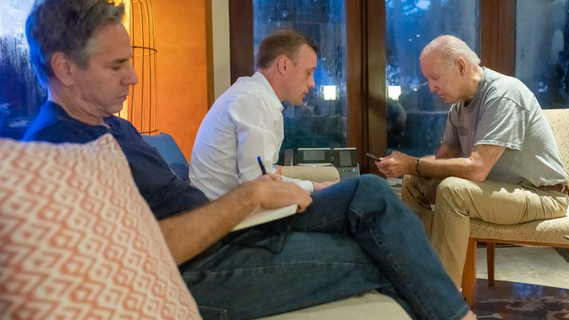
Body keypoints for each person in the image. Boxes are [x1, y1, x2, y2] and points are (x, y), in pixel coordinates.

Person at [22, 1, 475, 319]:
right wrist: (247, 198)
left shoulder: (110, 124)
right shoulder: (59, 150)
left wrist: (252, 199)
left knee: (370, 193)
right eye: (116, 65)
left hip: (223, 237)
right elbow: (139, 252)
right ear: (64, 68)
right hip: (201, 273)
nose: (134, 76)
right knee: (387, 253)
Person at [376, 35, 569, 289]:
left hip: (541, 195)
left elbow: (477, 169)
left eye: (434, 77)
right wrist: (405, 165)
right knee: (414, 182)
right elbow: (441, 160)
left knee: (454, 191)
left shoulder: (502, 94)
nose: (430, 87)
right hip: (495, 189)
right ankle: (415, 273)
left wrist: (414, 163)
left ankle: (442, 297)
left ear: (460, 65)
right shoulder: (458, 108)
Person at [190, 28, 335, 201]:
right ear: (284, 65)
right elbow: (259, 186)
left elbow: (266, 175)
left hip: (234, 208)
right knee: (364, 188)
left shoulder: (255, 95)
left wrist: (314, 186)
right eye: (308, 73)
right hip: (232, 218)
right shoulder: (254, 100)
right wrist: (313, 187)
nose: (312, 84)